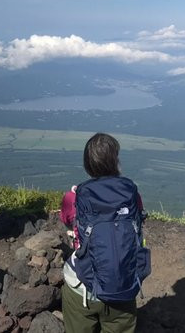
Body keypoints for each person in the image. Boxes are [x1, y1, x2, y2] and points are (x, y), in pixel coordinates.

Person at [61, 133, 146, 333]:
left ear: (87, 164)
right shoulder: (132, 195)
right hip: (123, 287)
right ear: (116, 161)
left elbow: (66, 220)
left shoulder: (73, 197)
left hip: (81, 287)